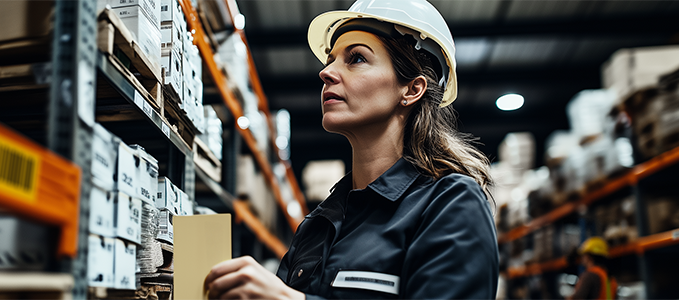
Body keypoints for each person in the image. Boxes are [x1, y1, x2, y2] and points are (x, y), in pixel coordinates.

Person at [203, 0, 498, 299]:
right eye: (330, 60)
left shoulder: (450, 204)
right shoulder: (318, 224)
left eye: (356, 58)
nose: (326, 72)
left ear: (411, 89)